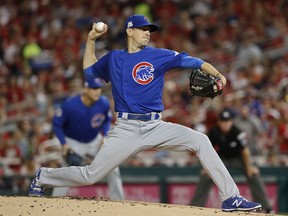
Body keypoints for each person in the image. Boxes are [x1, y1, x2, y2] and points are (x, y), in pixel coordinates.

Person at [29, 14, 261, 212]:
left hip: (155, 126)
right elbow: (89, 72)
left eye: (150, 30)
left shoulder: (158, 55)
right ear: (130, 31)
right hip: (126, 129)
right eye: (143, 29)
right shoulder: (114, 58)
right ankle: (43, 177)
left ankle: (231, 197)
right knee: (91, 175)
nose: (148, 33)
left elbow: (196, 62)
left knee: (200, 140)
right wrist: (90, 40)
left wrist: (219, 75)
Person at [50, 78, 124, 200]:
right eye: (93, 88)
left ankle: (118, 201)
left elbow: (106, 120)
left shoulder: (103, 103)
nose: (97, 92)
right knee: (68, 170)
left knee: (113, 166)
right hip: (74, 142)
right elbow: (57, 124)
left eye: (98, 88)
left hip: (94, 140)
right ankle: (55, 201)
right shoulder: (70, 105)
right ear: (85, 89)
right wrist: (64, 144)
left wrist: (105, 134)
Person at [191, 108, 272, 213]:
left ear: (231, 122)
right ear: (219, 122)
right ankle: (195, 206)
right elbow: (206, 151)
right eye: (223, 121)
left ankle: (266, 207)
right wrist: (206, 168)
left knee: (253, 174)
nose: (225, 124)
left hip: (237, 158)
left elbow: (245, 151)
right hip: (221, 159)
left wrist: (249, 167)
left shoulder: (237, 131)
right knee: (205, 175)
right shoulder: (213, 132)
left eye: (227, 121)